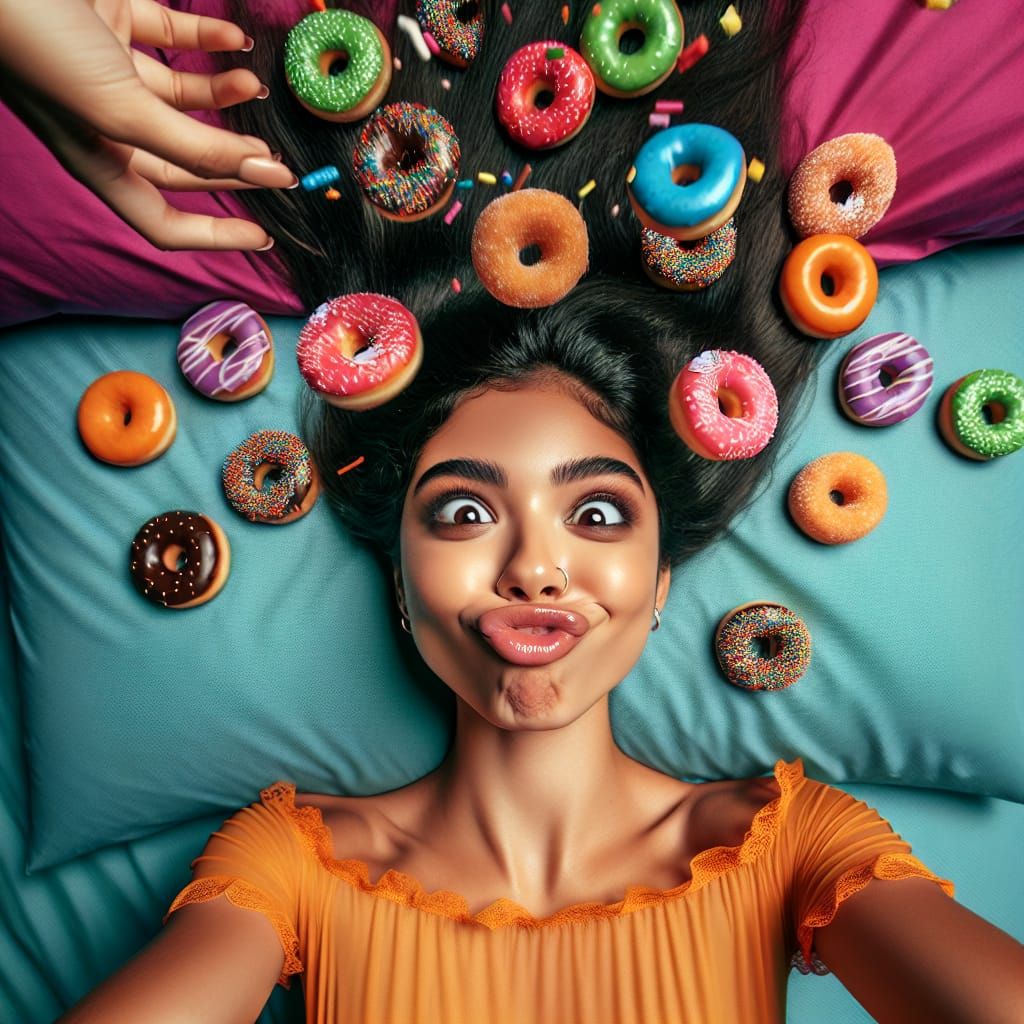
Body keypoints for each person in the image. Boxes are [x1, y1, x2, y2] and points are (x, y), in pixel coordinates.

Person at [18, 0, 1024, 1020]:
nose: (534, 568)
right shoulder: (292, 862)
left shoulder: (791, 840)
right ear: (400, 580)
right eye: (462, 514)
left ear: (662, 578)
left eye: (594, 515)